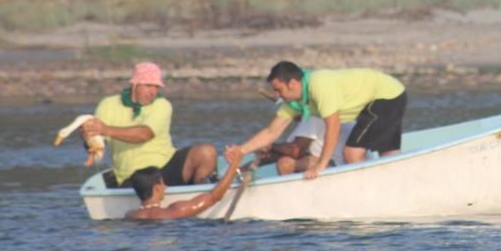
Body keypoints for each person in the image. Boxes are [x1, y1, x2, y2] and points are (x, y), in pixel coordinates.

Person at [232, 61, 407, 180]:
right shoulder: (295, 101)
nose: (277, 95)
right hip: (378, 99)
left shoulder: (319, 84)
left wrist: (320, 166)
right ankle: (397, 180)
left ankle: (367, 189)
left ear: (292, 84)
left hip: (386, 95)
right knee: (388, 152)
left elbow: (333, 126)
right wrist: (241, 150)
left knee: (352, 153)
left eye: (278, 90)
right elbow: (271, 132)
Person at [81, 62, 217, 188]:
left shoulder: (162, 105)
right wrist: (87, 135)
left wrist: (106, 129)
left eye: (156, 87)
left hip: (165, 166)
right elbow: (95, 143)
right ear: (135, 84)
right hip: (132, 176)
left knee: (207, 152)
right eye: (148, 86)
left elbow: (145, 134)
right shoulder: (108, 105)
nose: (153, 92)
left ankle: (201, 191)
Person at [125, 145, 243, 220]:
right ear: (156, 188)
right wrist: (234, 164)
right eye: (162, 183)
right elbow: (214, 196)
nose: (165, 187)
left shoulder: (130, 215)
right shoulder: (175, 212)